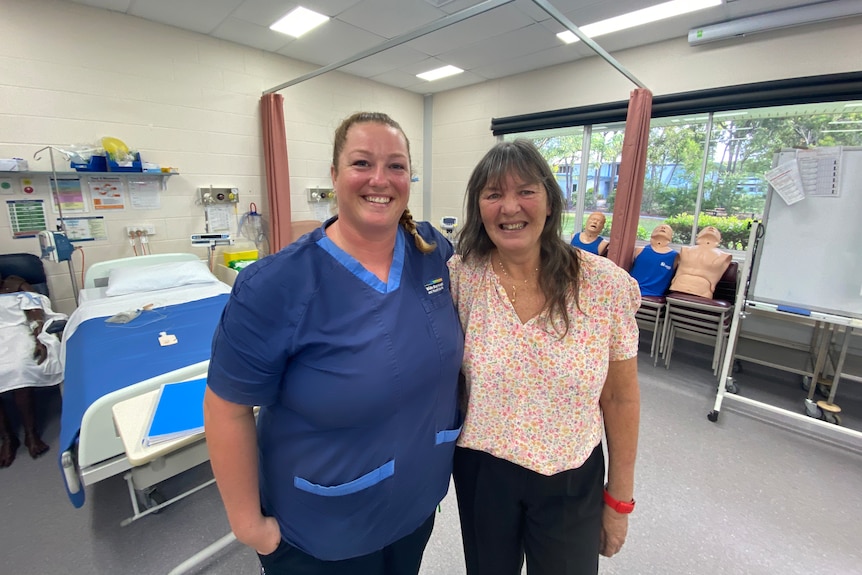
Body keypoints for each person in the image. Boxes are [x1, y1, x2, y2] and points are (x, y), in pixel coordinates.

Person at [204, 112, 464, 575]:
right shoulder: (275, 285)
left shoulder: (431, 251)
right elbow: (227, 407)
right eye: (362, 163)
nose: (380, 179)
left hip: (415, 506)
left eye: (397, 166)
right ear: (334, 175)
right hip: (322, 529)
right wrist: (248, 525)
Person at [448, 139, 641, 575]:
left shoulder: (603, 285)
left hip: (570, 474)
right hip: (482, 470)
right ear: (479, 207)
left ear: (550, 202)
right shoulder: (462, 278)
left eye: (526, 192)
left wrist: (619, 502)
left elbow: (621, 399)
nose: (509, 207)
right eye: (493, 194)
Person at [0, 272, 65, 468]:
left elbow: (36, 312)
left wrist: (39, 339)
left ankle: (31, 433)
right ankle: (7, 438)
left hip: (18, 332)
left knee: (19, 367)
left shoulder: (16, 284)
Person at [667, 225, 731, 299]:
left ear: (720, 240)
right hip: (678, 286)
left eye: (715, 230)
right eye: (706, 228)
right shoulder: (685, 250)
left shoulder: (724, 256)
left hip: (703, 292)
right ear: (697, 236)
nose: (711, 228)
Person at [629, 224, 678, 296]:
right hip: (632, 290)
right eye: (659, 227)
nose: (663, 227)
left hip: (654, 295)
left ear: (671, 237)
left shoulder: (675, 256)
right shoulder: (639, 250)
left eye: (667, 229)